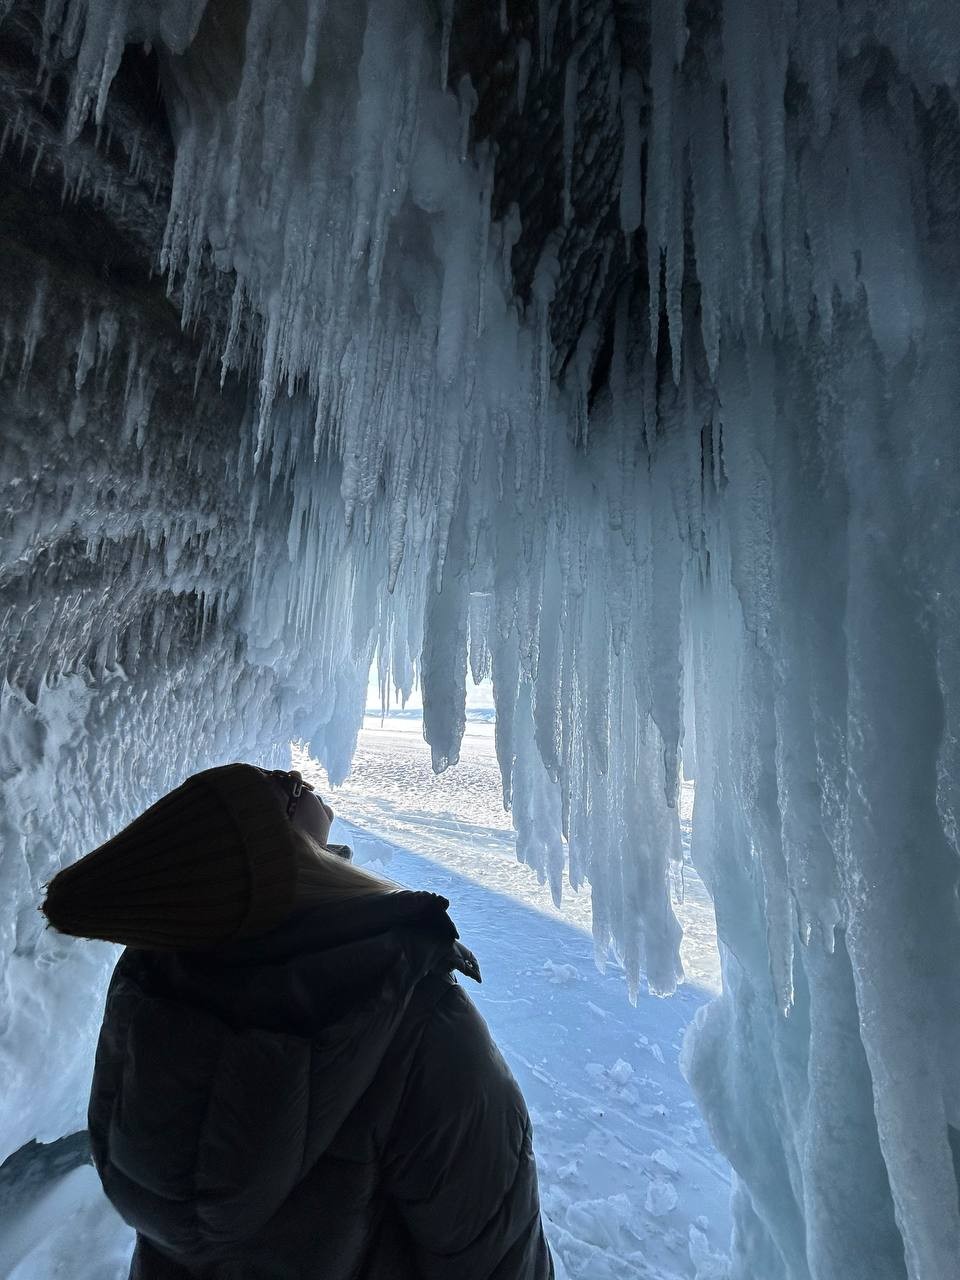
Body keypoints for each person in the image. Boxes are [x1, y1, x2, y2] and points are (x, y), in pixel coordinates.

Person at [40, 763, 555, 1280]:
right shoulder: (414, 1022)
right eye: (282, 788)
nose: (293, 774)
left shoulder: (150, 994)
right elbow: (500, 1260)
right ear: (275, 858)